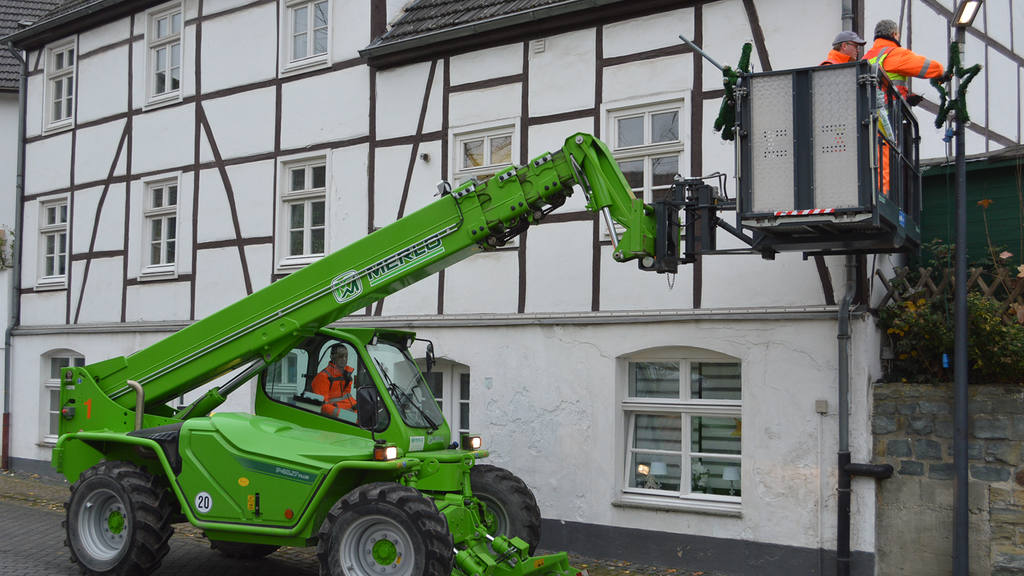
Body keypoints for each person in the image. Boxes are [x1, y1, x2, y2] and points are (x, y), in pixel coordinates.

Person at [863, 19, 945, 105]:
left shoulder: (866, 57)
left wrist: (905, 99)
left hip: (868, 114)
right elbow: (926, 67)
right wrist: (942, 72)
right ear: (894, 34)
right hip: (888, 114)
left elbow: (877, 89)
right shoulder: (895, 53)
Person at [311, 344, 356, 417]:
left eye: (346, 356)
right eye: (340, 356)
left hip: (349, 413)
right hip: (336, 418)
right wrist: (343, 414)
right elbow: (322, 406)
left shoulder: (347, 376)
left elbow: (347, 399)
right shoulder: (323, 377)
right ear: (332, 357)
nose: (344, 359)